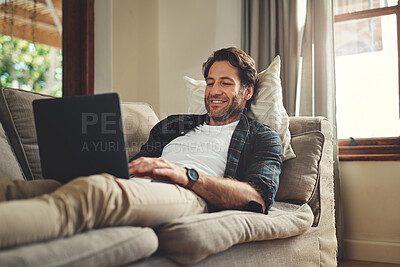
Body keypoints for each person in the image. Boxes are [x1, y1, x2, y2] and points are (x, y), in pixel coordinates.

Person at [0, 47, 282, 249]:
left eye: (225, 83)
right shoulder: (174, 124)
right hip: (139, 184)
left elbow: (258, 197)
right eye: (210, 83)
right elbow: (140, 162)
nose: (214, 91)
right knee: (24, 188)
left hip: (189, 195)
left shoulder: (262, 137)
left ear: (247, 92)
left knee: (98, 193)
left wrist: (187, 175)